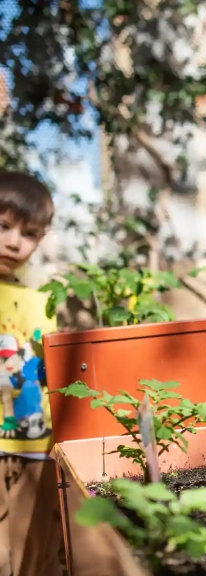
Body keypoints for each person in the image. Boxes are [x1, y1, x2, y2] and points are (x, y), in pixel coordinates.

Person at [0, 170, 60, 575]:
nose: (14, 242)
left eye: (30, 233)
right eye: (3, 226)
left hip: (36, 449)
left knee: (31, 555)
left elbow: (53, 374)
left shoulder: (42, 301)